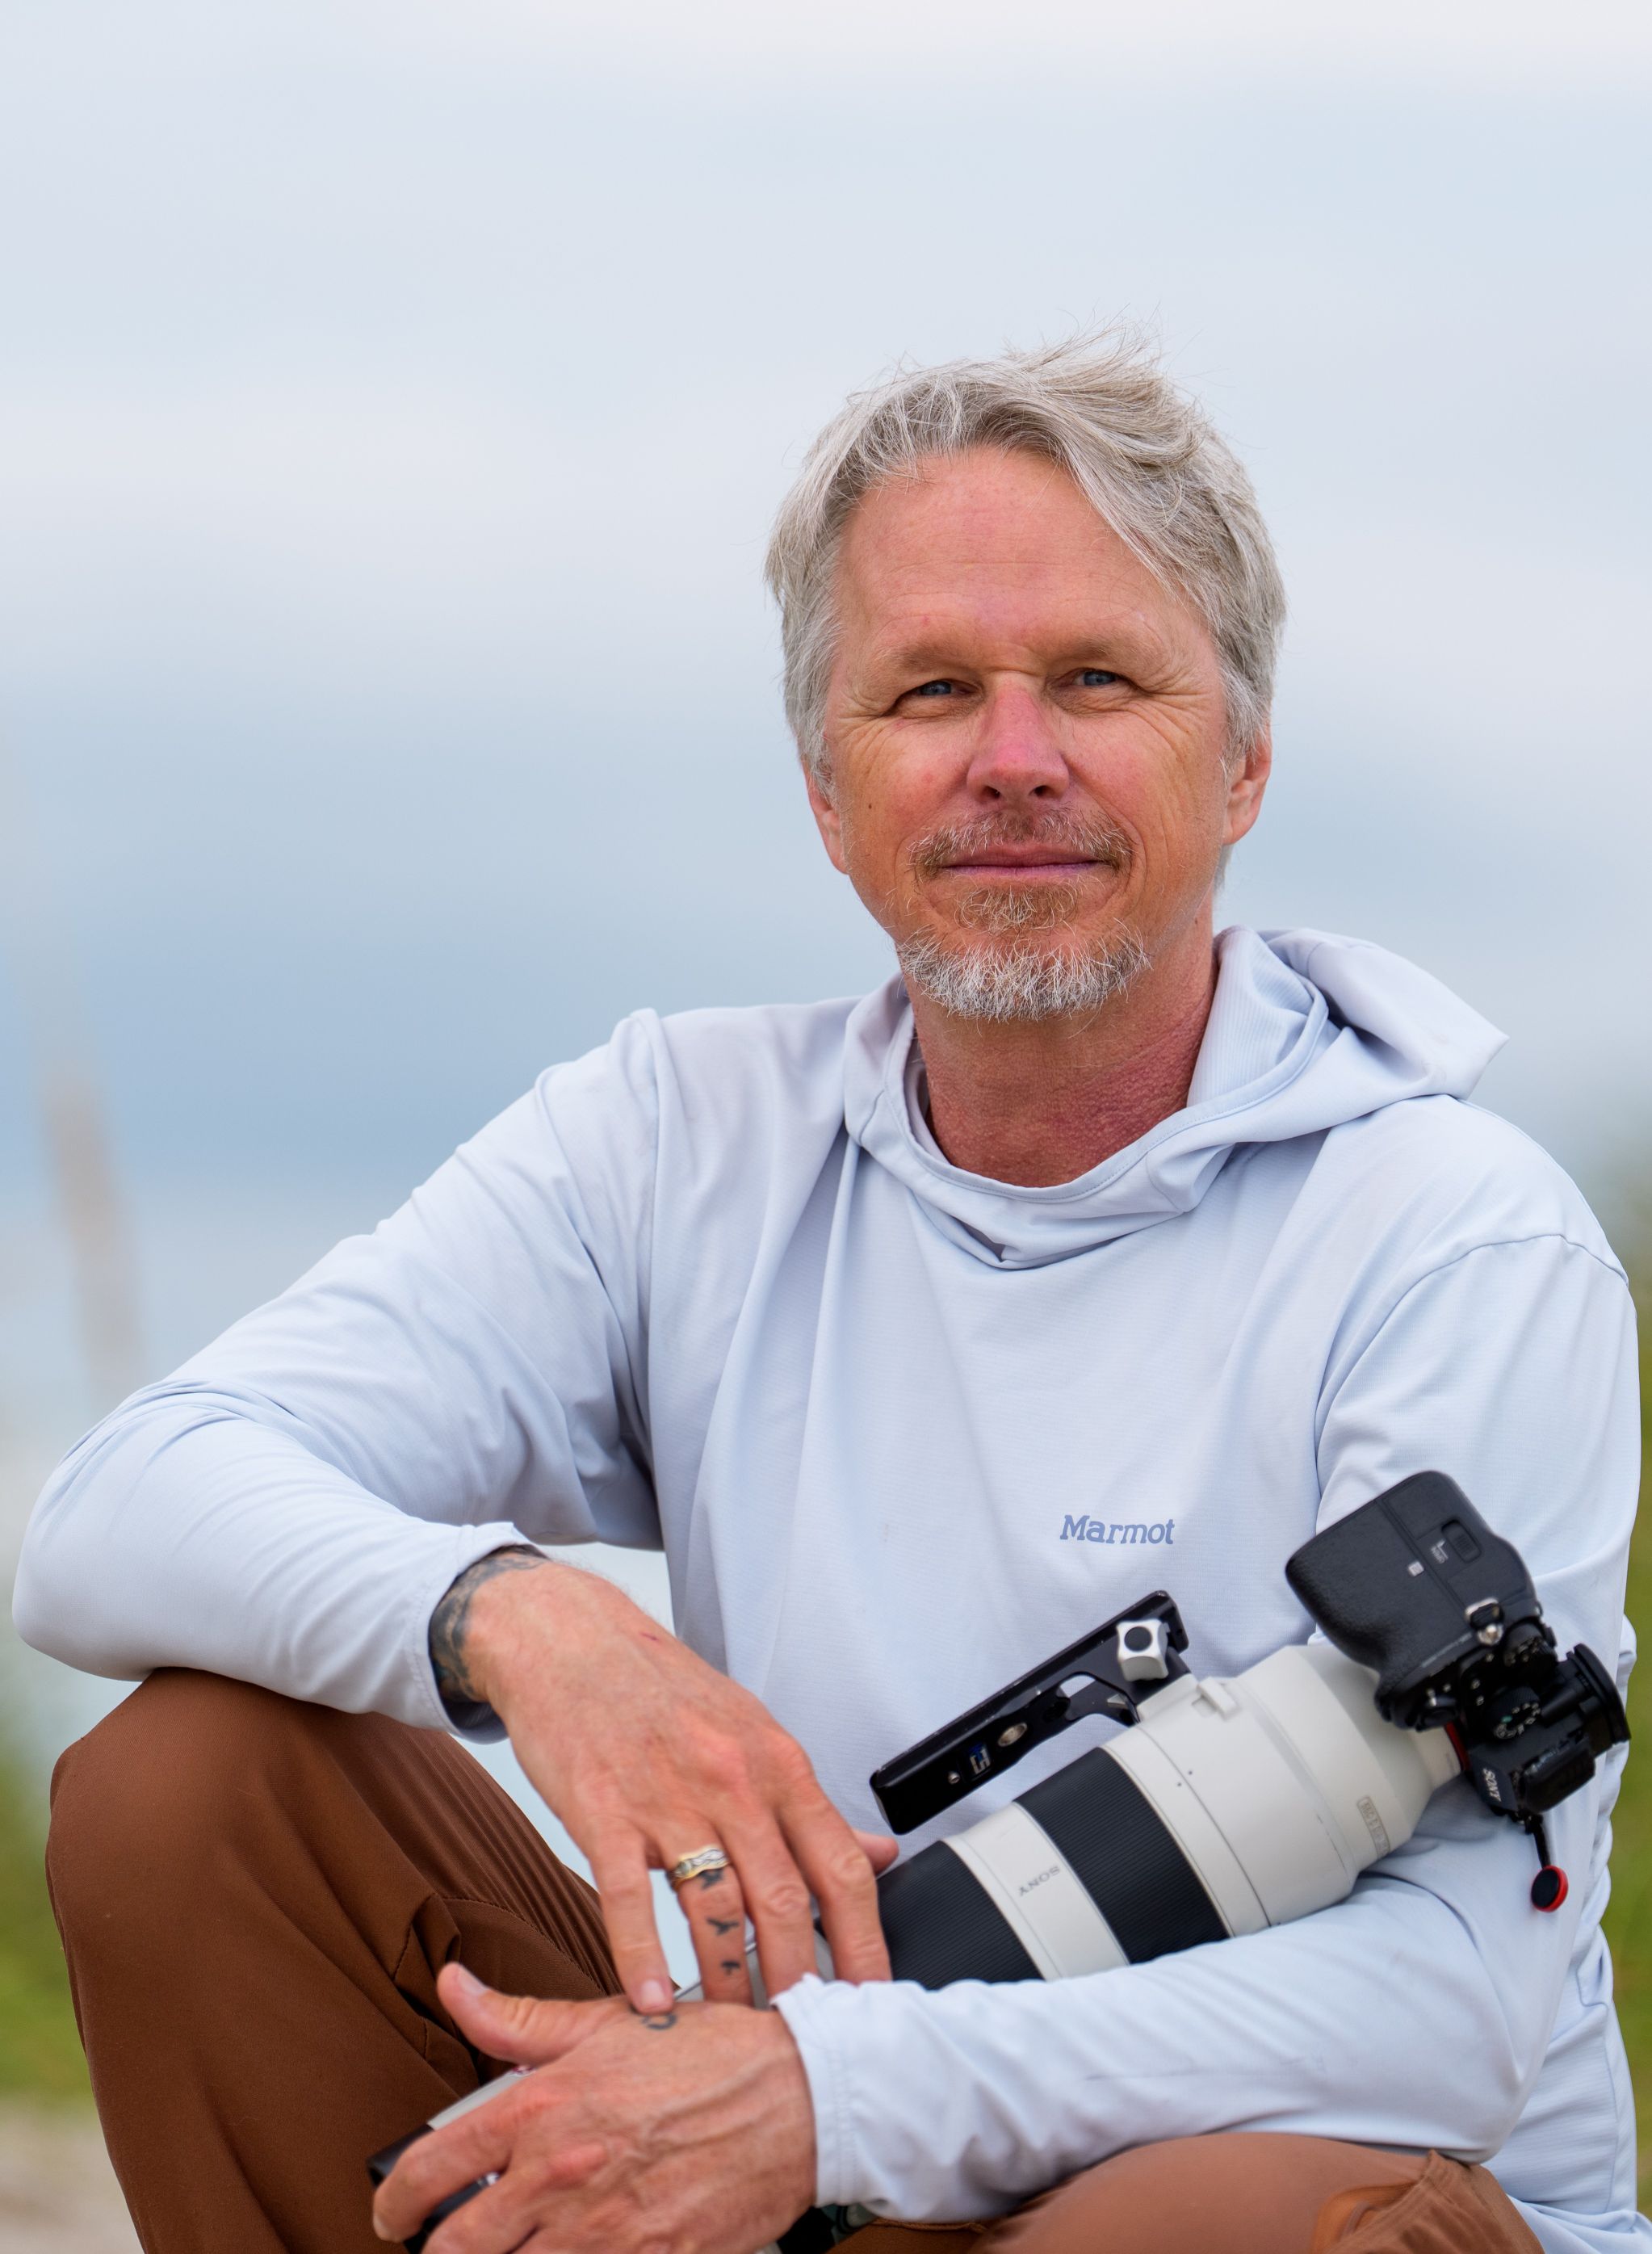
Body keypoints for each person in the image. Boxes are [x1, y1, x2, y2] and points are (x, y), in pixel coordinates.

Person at [15, 335, 1643, 2254]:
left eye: (1097, 680)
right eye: (931, 688)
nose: (1012, 758)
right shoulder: (676, 1141)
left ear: (1246, 759)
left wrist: (830, 2093)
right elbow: (110, 1519)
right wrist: (519, 1619)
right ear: (826, 785)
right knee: (189, 1790)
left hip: (1266, 2184)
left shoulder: (1453, 1238)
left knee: (1196, 2230)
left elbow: (1458, 2001)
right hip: (801, 2135)